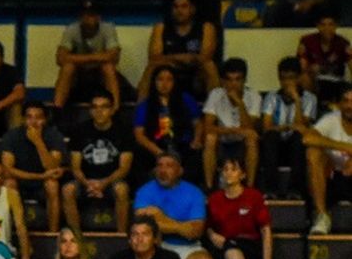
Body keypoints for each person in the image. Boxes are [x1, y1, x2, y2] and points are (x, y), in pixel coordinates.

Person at [133, 147, 212, 259]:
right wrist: (181, 227)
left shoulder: (194, 193)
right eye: (160, 165)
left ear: (180, 170)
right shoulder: (145, 191)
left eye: (169, 166)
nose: (163, 170)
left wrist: (161, 218)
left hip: (187, 247)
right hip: (156, 245)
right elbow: (142, 226)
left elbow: (196, 231)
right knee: (146, 238)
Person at [204, 156, 272, 259]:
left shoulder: (253, 196)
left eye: (233, 169)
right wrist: (212, 234)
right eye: (225, 170)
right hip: (225, 247)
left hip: (250, 246)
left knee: (230, 244)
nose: (228, 173)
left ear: (242, 175)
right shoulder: (214, 199)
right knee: (219, 254)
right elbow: (208, 226)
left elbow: (265, 230)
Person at [64, 92, 133, 234]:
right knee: (68, 190)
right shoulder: (79, 131)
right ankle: (76, 237)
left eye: (104, 107)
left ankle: (120, 237)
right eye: (94, 107)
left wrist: (103, 183)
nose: (99, 111)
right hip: (85, 182)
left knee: (122, 190)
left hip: (112, 181)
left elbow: (124, 168)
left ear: (112, 109)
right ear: (90, 110)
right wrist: (87, 183)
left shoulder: (124, 131)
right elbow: (75, 167)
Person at [0, 100, 66, 231]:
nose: (33, 122)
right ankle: (9, 232)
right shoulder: (12, 136)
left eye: (38, 117)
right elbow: (7, 171)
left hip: (43, 183)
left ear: (45, 120)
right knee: (8, 184)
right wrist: (40, 176)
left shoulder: (54, 136)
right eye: (29, 117)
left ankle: (52, 234)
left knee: (52, 185)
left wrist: (38, 142)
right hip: (21, 181)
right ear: (23, 119)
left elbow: (52, 168)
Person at [141, 0, 219, 100]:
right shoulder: (161, 27)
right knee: (151, 66)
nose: (179, 11)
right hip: (169, 72)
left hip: (196, 75)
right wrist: (183, 58)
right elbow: (154, 56)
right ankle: (140, 110)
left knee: (209, 66)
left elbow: (206, 57)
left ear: (192, 9)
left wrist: (174, 58)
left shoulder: (206, 27)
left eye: (184, 6)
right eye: (175, 7)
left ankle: (214, 111)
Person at [132, 65, 201, 184]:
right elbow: (139, 135)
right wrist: (159, 152)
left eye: (169, 79)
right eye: (160, 79)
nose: (164, 84)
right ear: (154, 82)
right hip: (155, 147)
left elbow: (198, 123)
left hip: (183, 146)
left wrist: (197, 139)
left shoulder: (186, 99)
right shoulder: (145, 105)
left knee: (195, 158)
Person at [261, 56, 318, 200]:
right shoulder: (271, 97)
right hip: (276, 145)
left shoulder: (310, 98)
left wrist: (297, 101)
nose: (287, 82)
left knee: (299, 137)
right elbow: (266, 127)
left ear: (299, 78)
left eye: (291, 78)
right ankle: (270, 189)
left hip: (297, 146)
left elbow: (301, 126)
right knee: (270, 137)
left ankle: (296, 190)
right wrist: (286, 127)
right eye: (283, 78)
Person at [202, 58, 261, 191]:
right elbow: (208, 127)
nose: (233, 84)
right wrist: (232, 130)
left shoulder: (254, 96)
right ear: (223, 81)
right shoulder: (216, 94)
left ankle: (250, 187)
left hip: (242, 140)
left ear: (244, 80)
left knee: (252, 138)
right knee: (210, 138)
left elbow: (250, 128)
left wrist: (240, 103)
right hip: (223, 138)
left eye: (238, 79)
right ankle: (209, 186)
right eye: (229, 79)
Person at [54, 0, 122, 109]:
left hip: (99, 74)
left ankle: (115, 109)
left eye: (91, 15)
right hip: (79, 75)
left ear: (98, 17)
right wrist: (96, 57)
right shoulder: (72, 29)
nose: (87, 18)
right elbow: (60, 58)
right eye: (84, 15)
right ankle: (57, 110)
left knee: (108, 67)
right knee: (68, 67)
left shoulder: (108, 28)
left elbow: (113, 57)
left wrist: (77, 58)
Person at [305, 84, 352, 234]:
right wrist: (344, 146)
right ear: (339, 104)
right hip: (332, 177)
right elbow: (307, 138)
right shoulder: (331, 119)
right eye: (346, 101)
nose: (350, 106)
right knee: (313, 152)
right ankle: (322, 215)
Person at [299, 12, 351, 106]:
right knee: (304, 77)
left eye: (331, 24)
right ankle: (311, 106)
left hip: (336, 81)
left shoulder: (343, 43)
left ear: (336, 26)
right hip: (315, 81)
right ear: (318, 26)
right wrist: (311, 69)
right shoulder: (307, 41)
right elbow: (302, 66)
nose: (327, 28)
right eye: (323, 25)